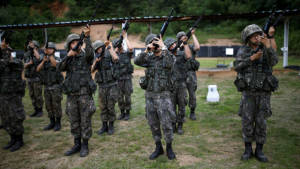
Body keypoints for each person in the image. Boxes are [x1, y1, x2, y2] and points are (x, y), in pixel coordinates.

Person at [234, 24, 278, 162]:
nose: (256, 37)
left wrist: (268, 46)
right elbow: (237, 66)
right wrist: (251, 59)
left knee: (261, 122)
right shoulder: (244, 50)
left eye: (258, 34)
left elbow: (274, 61)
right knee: (247, 121)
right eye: (253, 35)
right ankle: (248, 149)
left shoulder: (266, 48)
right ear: (248, 37)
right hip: (248, 92)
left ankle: (259, 150)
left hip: (263, 93)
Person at [134, 34, 176, 160]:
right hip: (150, 96)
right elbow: (137, 61)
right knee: (153, 123)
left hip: (164, 96)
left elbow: (171, 63)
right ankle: (158, 147)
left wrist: (164, 47)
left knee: (167, 123)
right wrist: (147, 50)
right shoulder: (149, 59)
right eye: (153, 43)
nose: (155, 45)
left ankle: (169, 147)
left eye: (156, 42)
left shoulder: (167, 56)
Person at [57, 26, 96, 157]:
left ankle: (85, 145)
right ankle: (76, 144)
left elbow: (91, 54)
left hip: (84, 94)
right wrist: (68, 56)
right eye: (72, 43)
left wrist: (88, 38)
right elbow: (59, 68)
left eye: (76, 42)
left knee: (85, 121)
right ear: (69, 45)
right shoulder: (68, 58)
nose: (75, 45)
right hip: (71, 95)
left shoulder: (85, 56)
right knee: (74, 120)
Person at [0, 36, 26, 152]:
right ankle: (12, 139)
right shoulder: (2, 64)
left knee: (16, 117)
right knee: (6, 118)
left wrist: (6, 51)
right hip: (3, 95)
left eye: (8, 51)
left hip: (14, 95)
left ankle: (19, 140)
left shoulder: (16, 63)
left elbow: (17, 65)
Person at [164, 37, 191, 135]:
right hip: (170, 85)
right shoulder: (167, 56)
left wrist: (186, 44)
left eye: (174, 44)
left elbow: (188, 56)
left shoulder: (181, 54)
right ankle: (172, 124)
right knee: (171, 106)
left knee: (182, 105)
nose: (173, 46)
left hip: (181, 84)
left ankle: (180, 125)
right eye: (171, 45)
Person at [91, 38, 119, 135]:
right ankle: (104, 125)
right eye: (97, 49)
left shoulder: (108, 53)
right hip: (102, 85)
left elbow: (116, 58)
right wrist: (96, 61)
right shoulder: (96, 57)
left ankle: (111, 125)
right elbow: (91, 70)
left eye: (100, 48)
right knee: (103, 106)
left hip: (111, 85)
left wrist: (110, 48)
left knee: (110, 106)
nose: (99, 50)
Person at [37, 42, 63, 131]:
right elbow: (38, 69)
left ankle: (58, 123)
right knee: (49, 106)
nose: (49, 50)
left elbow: (56, 65)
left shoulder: (57, 58)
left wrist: (50, 56)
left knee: (56, 105)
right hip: (47, 86)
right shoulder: (44, 59)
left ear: (54, 50)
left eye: (51, 49)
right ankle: (52, 122)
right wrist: (43, 61)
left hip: (56, 86)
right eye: (48, 49)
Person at [176, 30, 200, 120]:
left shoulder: (189, 47)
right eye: (181, 38)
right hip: (180, 74)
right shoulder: (176, 49)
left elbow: (197, 47)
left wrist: (193, 34)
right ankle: (182, 113)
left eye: (184, 37)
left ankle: (192, 111)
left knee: (192, 94)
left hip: (190, 74)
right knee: (182, 96)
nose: (183, 39)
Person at [113, 30, 134, 121]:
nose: (120, 46)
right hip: (118, 79)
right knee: (120, 98)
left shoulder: (127, 54)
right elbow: (112, 55)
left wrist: (125, 38)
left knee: (128, 97)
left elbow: (130, 48)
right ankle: (122, 112)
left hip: (127, 78)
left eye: (120, 44)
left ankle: (128, 113)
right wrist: (115, 49)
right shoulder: (114, 55)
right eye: (118, 45)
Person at [24, 40, 44, 117]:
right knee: (32, 95)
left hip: (37, 77)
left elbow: (39, 58)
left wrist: (34, 50)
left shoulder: (40, 52)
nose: (30, 46)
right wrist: (29, 63)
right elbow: (24, 65)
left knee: (37, 95)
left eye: (32, 45)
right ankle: (36, 109)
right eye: (30, 45)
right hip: (29, 77)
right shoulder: (27, 54)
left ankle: (40, 110)